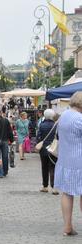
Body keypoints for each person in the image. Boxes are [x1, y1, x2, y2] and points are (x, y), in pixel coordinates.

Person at [54, 92, 82, 236]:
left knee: (67, 193)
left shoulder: (63, 116)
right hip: (79, 161)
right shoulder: (79, 119)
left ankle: (67, 226)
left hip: (65, 160)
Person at [36, 109, 58, 195]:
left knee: (44, 167)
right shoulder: (56, 125)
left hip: (44, 149)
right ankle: (54, 188)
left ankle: (45, 186)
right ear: (52, 116)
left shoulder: (41, 125)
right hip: (53, 149)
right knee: (53, 167)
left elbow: (38, 137)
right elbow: (58, 137)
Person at [0, 109, 14, 177]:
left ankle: (0, 172)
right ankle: (5, 171)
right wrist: (11, 140)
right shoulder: (6, 120)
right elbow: (10, 131)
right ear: (1, 113)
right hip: (5, 140)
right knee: (5, 156)